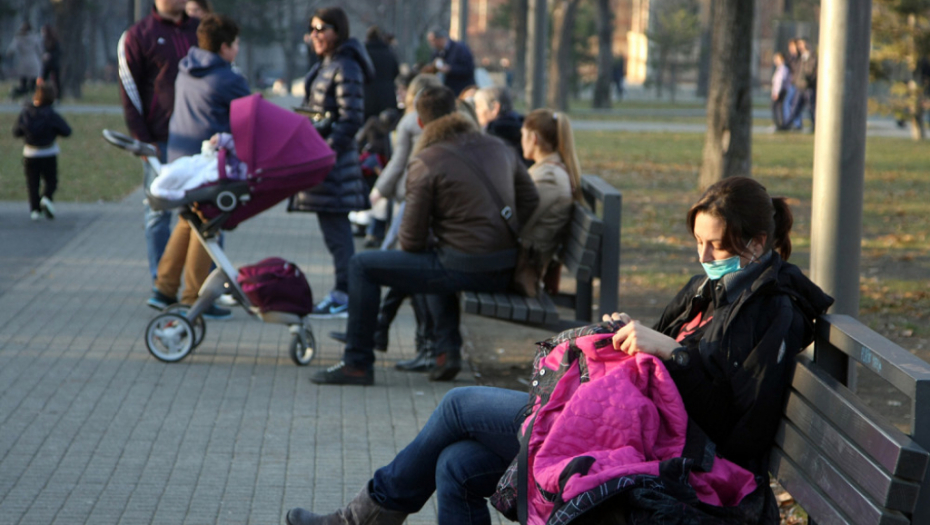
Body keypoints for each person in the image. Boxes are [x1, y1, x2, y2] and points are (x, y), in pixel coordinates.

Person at [285, 176, 834, 525]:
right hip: (624, 426)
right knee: (456, 465)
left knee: (457, 408)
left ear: (758, 243)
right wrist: (628, 335)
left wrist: (669, 351)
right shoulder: (707, 289)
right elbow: (668, 359)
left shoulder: (774, 312)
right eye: (699, 241)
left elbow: (741, 431)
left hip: (670, 455)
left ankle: (360, 518)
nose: (705, 253)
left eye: (716, 244)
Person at [310, 85, 539, 386]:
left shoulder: (427, 161)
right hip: (506, 267)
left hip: (466, 268)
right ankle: (446, 352)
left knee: (361, 266)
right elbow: (530, 199)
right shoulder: (498, 147)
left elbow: (411, 242)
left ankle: (357, 363)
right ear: (457, 113)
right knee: (434, 261)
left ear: (419, 123)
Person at [146, 13, 250, 319]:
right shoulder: (228, 79)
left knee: (187, 220)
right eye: (236, 43)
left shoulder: (186, 68)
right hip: (205, 164)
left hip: (179, 158)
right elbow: (249, 115)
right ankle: (194, 296)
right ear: (225, 46)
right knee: (206, 226)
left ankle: (163, 289)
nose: (238, 49)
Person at [288, 7, 374, 318]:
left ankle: (346, 294)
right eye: (311, 29)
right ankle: (345, 292)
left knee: (338, 235)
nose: (315, 35)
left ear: (338, 30)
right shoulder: (328, 64)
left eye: (322, 28)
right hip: (328, 162)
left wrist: (325, 150)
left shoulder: (345, 66)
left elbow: (351, 118)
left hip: (334, 165)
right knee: (335, 234)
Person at [118, 0, 199, 283]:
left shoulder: (200, 31)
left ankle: (204, 288)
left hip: (200, 141)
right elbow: (129, 91)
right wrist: (143, 139)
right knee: (158, 214)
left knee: (207, 212)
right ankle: (163, 284)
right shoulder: (139, 35)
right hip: (159, 142)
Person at [518, 109, 582, 286]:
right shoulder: (547, 170)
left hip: (521, 269)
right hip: (522, 260)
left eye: (523, 135)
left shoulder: (549, 178)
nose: (521, 140)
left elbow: (518, 222)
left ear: (534, 139)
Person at [13, 84, 71, 221]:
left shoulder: (26, 113)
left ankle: (34, 210)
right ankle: (46, 197)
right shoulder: (51, 114)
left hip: (30, 153)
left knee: (33, 183)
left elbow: (16, 132)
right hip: (49, 152)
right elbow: (67, 131)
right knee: (51, 180)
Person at [473, 86, 525, 163]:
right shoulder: (524, 131)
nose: (476, 111)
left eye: (478, 106)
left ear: (495, 107)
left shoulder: (492, 136)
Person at [362, 25, 399, 121]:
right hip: (387, 96)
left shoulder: (363, 53)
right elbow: (396, 72)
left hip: (367, 96)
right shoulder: (389, 53)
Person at [426, 27, 475, 96]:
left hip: (462, 90)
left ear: (441, 38)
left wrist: (450, 69)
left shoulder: (459, 48)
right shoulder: (436, 52)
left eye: (433, 40)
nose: (431, 44)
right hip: (447, 91)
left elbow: (468, 68)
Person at [784, 38, 817, 132]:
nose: (800, 47)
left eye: (801, 44)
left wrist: (807, 78)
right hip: (800, 86)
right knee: (794, 107)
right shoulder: (800, 57)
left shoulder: (811, 56)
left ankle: (815, 126)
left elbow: (811, 70)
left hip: (808, 86)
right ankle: (787, 125)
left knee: (812, 107)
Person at [6, 22, 43, 98]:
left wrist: (9, 55)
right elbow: (40, 50)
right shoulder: (35, 37)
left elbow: (11, 49)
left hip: (23, 62)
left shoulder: (19, 38)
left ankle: (24, 97)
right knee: (33, 84)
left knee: (23, 83)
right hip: (34, 61)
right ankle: (33, 98)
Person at [39, 25, 61, 102]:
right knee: (42, 80)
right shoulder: (44, 41)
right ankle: (41, 95)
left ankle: (57, 97)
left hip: (54, 63)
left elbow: (58, 52)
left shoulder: (55, 40)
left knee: (56, 81)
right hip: (46, 64)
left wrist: (50, 55)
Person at [770, 52, 790, 131]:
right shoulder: (779, 69)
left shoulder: (783, 69)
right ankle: (778, 124)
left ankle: (779, 124)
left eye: (776, 59)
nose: (775, 60)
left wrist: (776, 93)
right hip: (778, 91)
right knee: (777, 107)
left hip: (780, 92)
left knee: (776, 107)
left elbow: (780, 82)